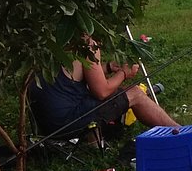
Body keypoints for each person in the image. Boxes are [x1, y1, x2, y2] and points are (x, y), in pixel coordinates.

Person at [29, 36, 180, 136]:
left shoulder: (52, 37)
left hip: (43, 126)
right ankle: (180, 132)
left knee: (91, 94)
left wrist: (108, 68)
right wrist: (124, 73)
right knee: (135, 93)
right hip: (66, 124)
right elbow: (102, 92)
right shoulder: (87, 43)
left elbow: (74, 75)